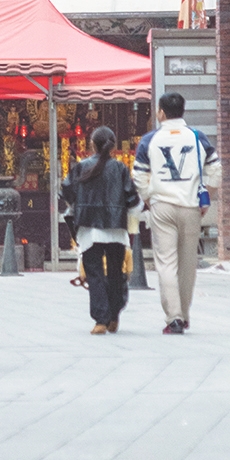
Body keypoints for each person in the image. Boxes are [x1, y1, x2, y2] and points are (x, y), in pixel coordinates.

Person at [134, 91, 221, 334]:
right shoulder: (197, 137)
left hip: (162, 204)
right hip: (191, 206)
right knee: (187, 264)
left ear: (161, 112)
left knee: (166, 263)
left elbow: (139, 176)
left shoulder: (149, 140)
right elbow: (216, 170)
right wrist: (207, 196)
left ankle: (174, 317)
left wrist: (149, 199)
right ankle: (184, 313)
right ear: (183, 111)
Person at [61, 126, 138, 335]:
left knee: (94, 274)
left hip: (89, 228)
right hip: (116, 229)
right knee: (116, 272)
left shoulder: (81, 167)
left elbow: (66, 190)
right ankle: (114, 316)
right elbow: (132, 197)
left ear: (92, 145)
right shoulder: (120, 169)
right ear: (112, 145)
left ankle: (100, 320)